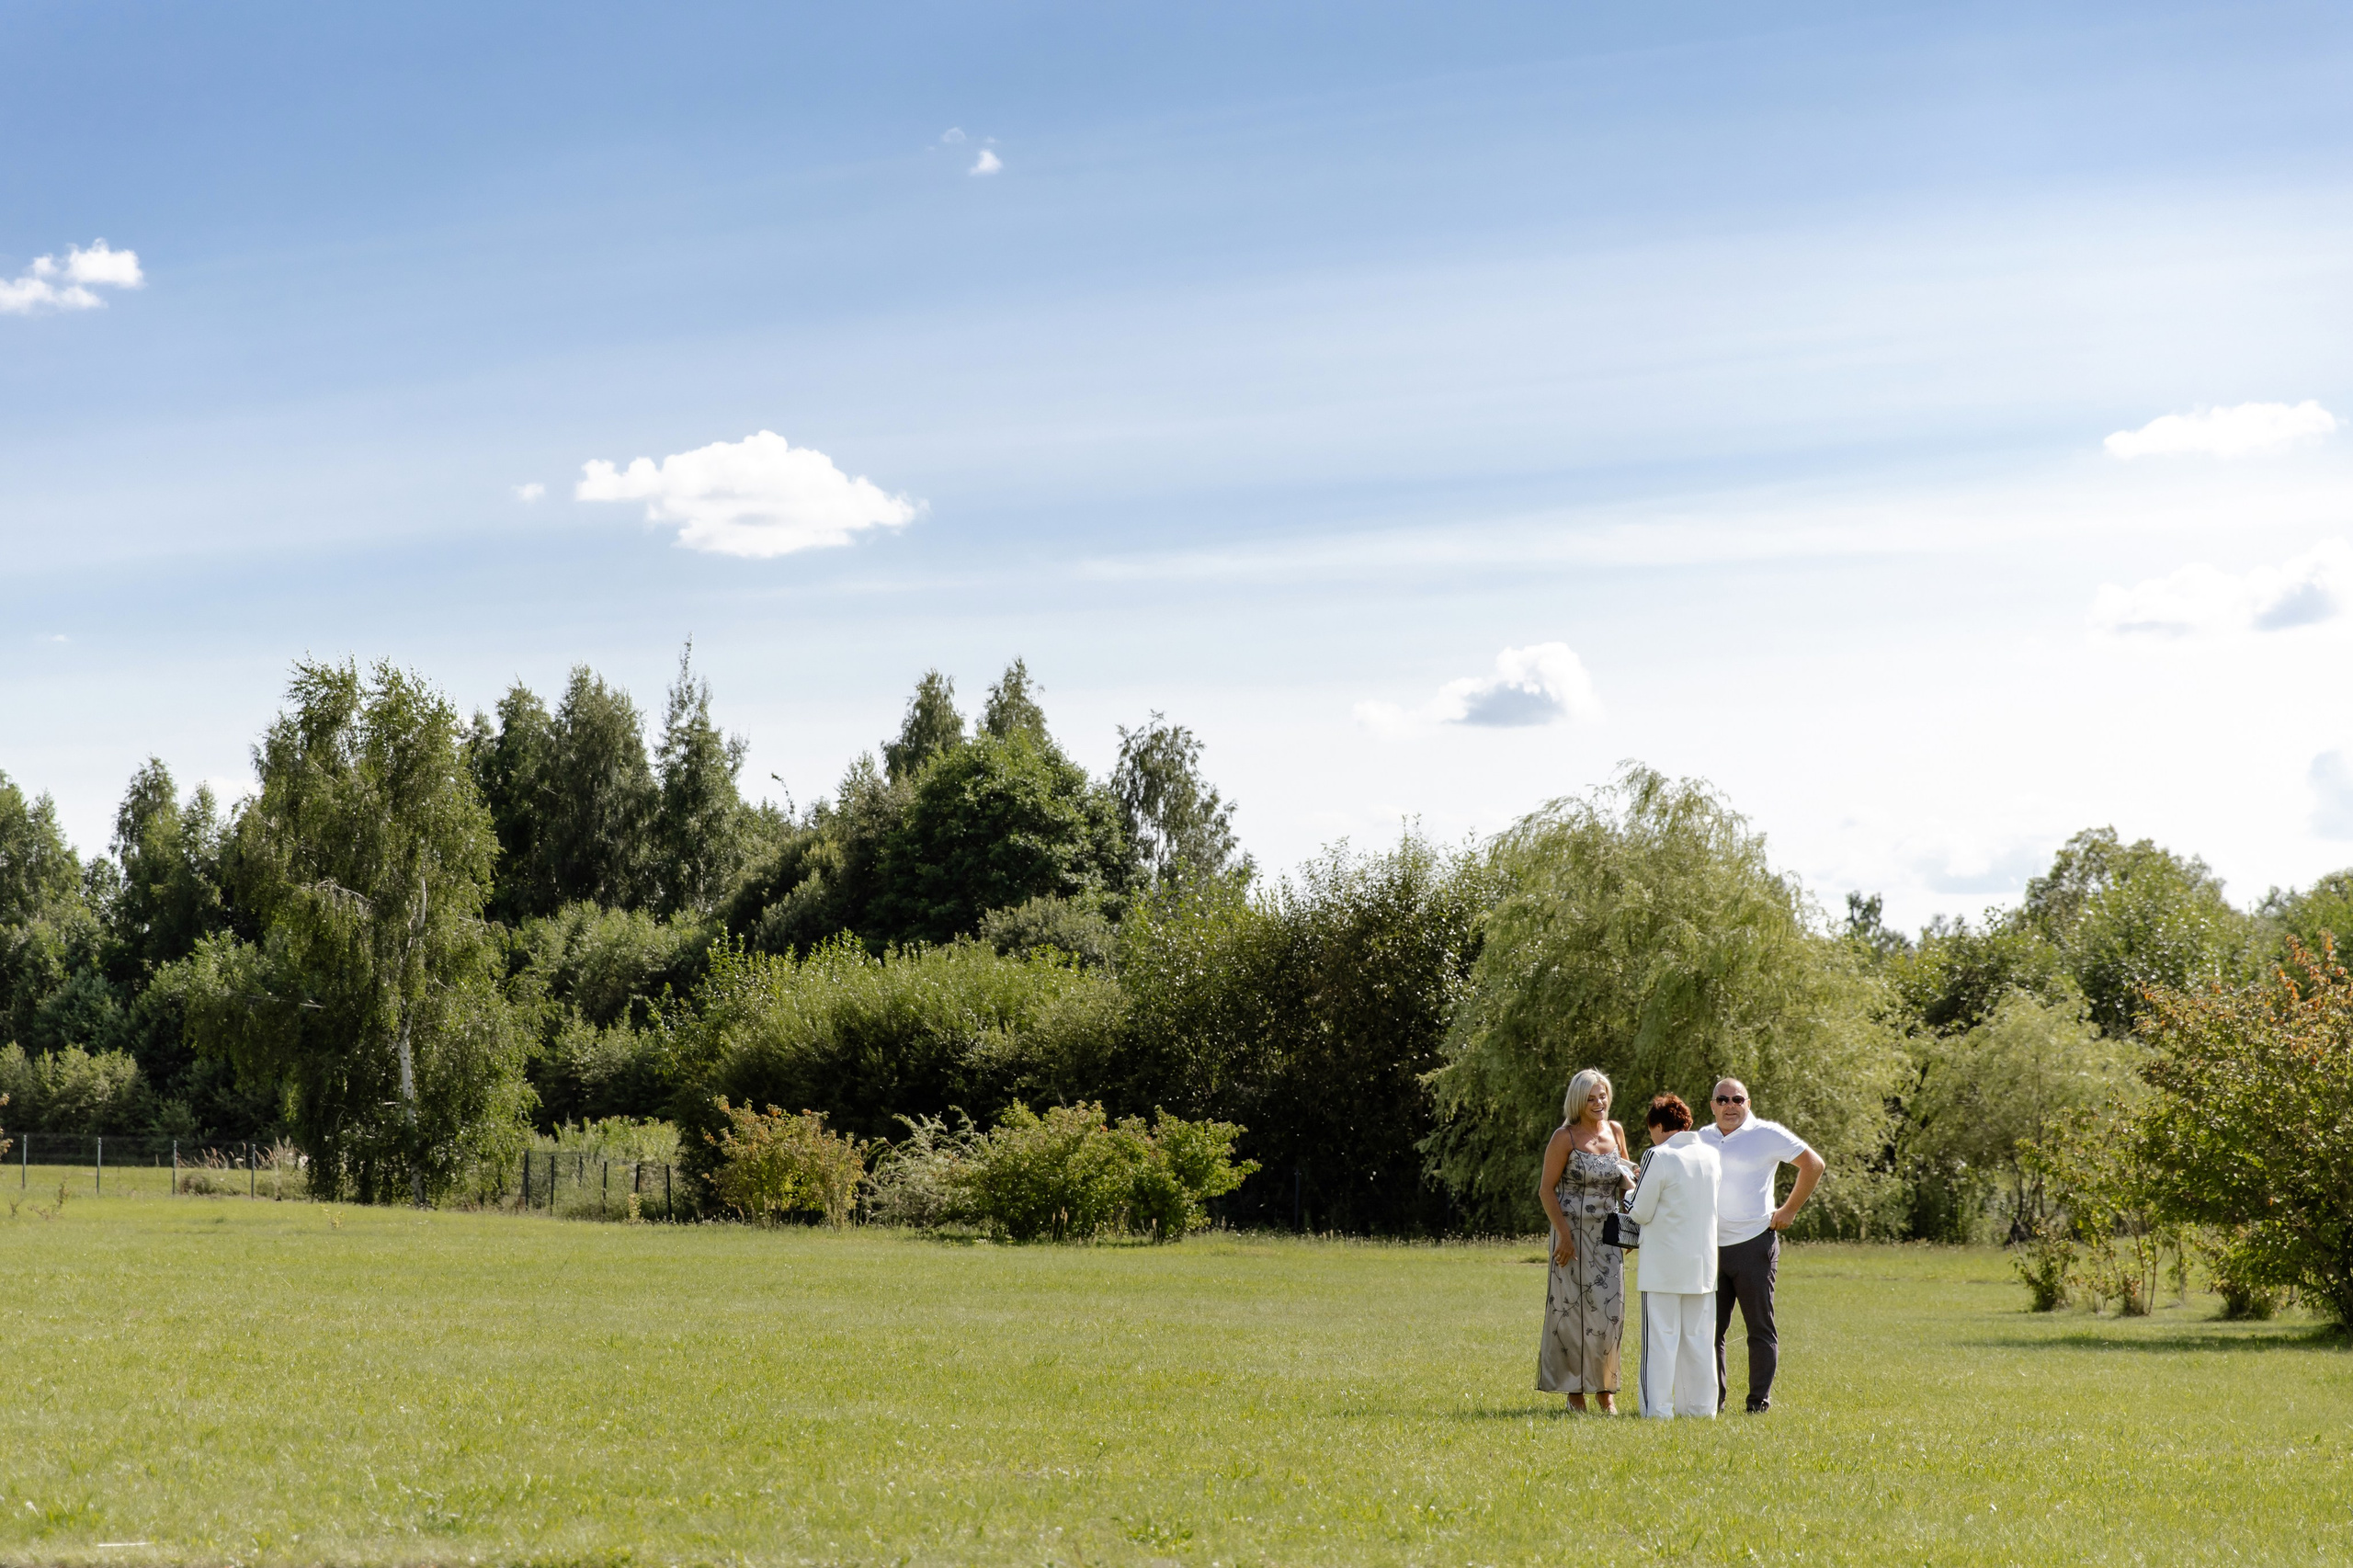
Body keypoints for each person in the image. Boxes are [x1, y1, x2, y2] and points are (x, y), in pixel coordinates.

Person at [1699, 1077, 1825, 1415]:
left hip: (1754, 1245)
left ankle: (1758, 1404)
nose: (1730, 1105)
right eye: (1722, 1099)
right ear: (1712, 1105)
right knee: (1710, 1330)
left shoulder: (1766, 1134)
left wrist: (1789, 1210)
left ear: (1748, 1104)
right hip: (1710, 1248)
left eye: (1737, 1099)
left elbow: (1813, 1165)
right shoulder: (1701, 1138)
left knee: (1759, 1327)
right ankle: (1713, 1402)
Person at [1535, 1068, 1637, 1414]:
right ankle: (1574, 1393)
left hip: (1608, 1238)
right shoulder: (1564, 1137)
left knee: (1609, 1313)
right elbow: (1546, 1190)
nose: (1599, 1103)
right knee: (1572, 1313)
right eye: (1591, 1098)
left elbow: (1626, 1182)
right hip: (1571, 1236)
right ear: (1578, 1101)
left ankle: (1605, 1391)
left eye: (1603, 1096)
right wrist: (1563, 1236)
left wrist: (1631, 1225)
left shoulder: (1616, 1130)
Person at [1628, 1092, 1720, 1420]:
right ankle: (1700, 1409)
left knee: (1661, 1341)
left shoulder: (1658, 1155)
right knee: (1697, 1340)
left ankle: (1658, 1410)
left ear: (1658, 1125)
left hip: (1663, 1267)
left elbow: (1639, 1212)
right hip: (1702, 1265)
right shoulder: (1711, 1156)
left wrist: (1629, 1188)